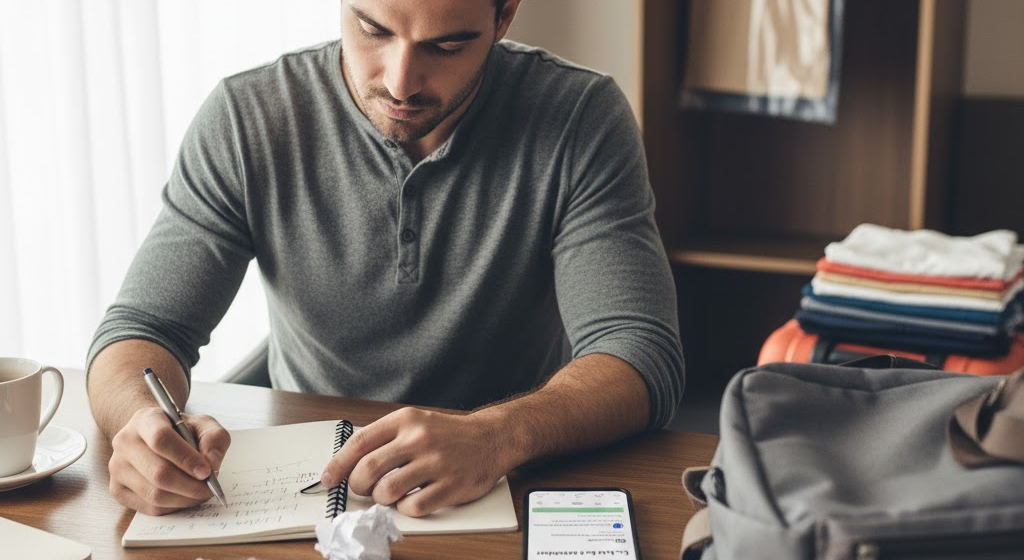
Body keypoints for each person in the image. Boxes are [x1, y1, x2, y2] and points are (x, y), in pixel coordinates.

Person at [87, 0, 684, 518]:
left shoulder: (581, 117)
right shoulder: (249, 117)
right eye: (373, 29)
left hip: (509, 478)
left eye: (446, 46)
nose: (400, 82)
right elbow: (142, 330)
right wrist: (140, 423)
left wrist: (496, 436)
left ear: (504, 16)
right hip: (308, 490)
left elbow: (639, 353)